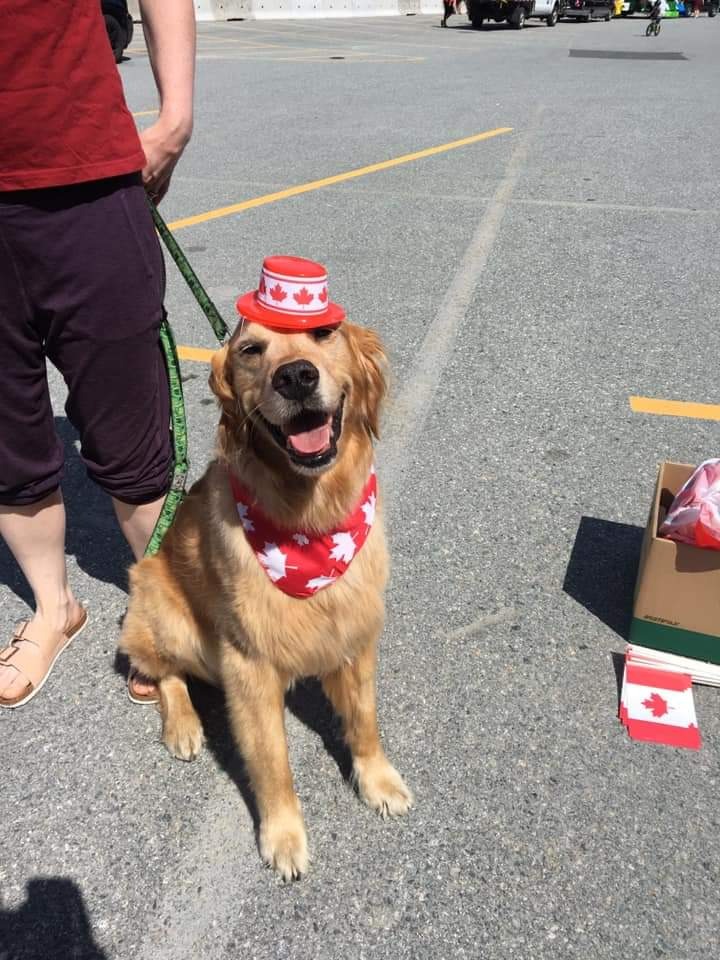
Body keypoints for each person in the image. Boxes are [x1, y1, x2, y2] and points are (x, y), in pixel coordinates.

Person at [0, 0, 196, 708]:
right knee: (7, 434)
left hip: (82, 171)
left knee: (127, 423)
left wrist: (175, 118)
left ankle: (166, 605)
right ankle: (55, 607)